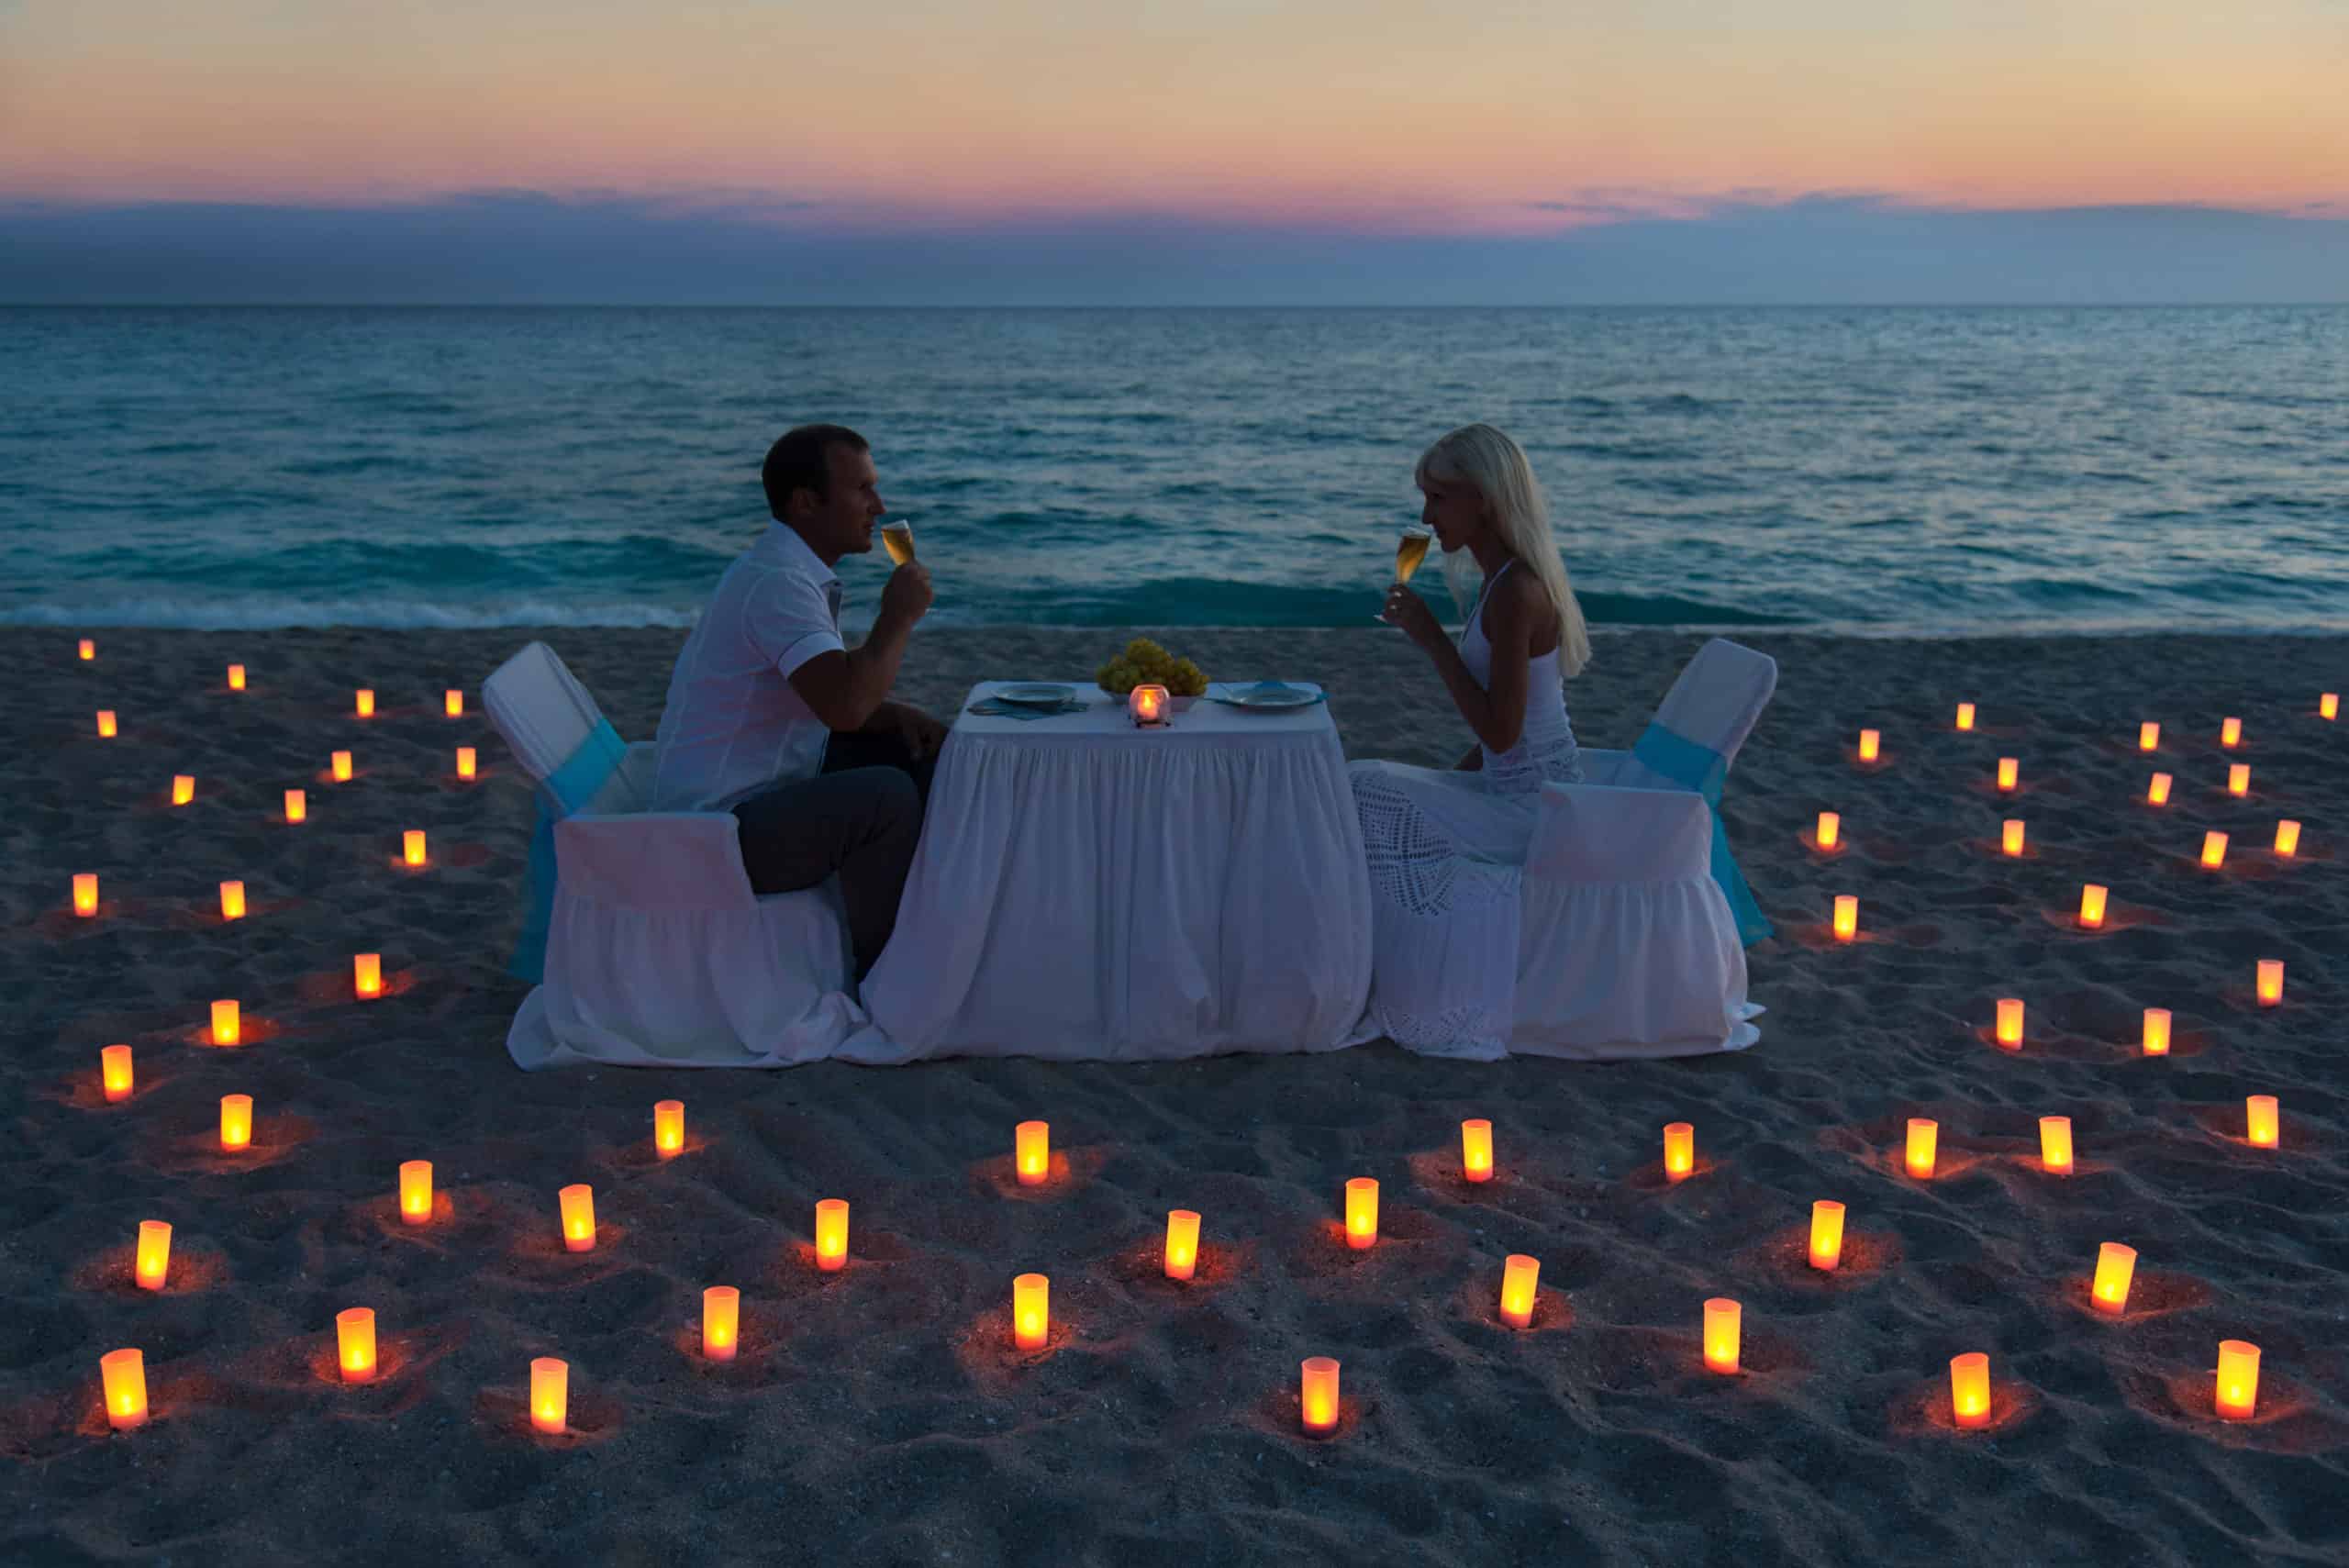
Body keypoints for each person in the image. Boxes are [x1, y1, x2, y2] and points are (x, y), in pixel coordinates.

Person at [650, 424, 947, 980]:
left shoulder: (786, 571)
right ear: (807, 503)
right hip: (715, 829)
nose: (879, 507)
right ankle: (884, 976)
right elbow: (844, 708)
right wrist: (898, 615)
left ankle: (931, 925)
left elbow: (824, 695)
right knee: (885, 796)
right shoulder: (779, 583)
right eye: (862, 490)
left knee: (913, 748)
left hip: (759, 789)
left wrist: (895, 716)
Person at [1350, 422, 1592, 1057]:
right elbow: (1503, 738)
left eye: (1438, 497)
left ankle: (1388, 983)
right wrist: (1452, 777)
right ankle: (1380, 971)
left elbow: (1504, 733)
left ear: (1482, 497)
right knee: (1367, 784)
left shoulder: (1515, 590)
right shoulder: (1498, 579)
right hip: (1508, 785)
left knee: (1363, 788)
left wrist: (1430, 639)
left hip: (1535, 808)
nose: (1426, 516)